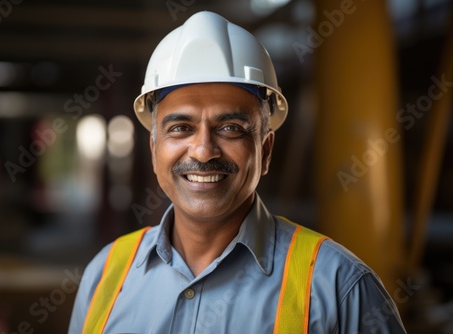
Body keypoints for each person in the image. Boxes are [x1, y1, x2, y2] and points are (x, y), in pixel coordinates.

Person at [68, 11, 407, 333]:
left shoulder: (338, 287)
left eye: (230, 128)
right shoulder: (104, 276)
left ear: (266, 150)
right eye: (181, 128)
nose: (203, 151)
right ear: (154, 148)